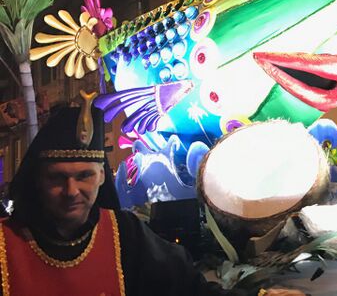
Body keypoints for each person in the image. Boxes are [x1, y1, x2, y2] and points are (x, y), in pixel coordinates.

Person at [0, 100, 304, 296]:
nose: (71, 191)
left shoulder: (123, 233)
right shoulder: (4, 243)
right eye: (57, 178)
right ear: (37, 179)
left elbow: (189, 291)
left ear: (102, 176)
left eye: (84, 176)